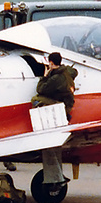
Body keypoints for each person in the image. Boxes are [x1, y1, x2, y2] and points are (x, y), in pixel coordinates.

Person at [32, 52, 78, 191]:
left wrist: (45, 76)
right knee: (52, 146)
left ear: (51, 63)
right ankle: (56, 178)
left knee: (36, 100)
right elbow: (74, 71)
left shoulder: (56, 79)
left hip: (60, 109)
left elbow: (40, 89)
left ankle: (56, 179)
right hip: (65, 106)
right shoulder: (66, 72)